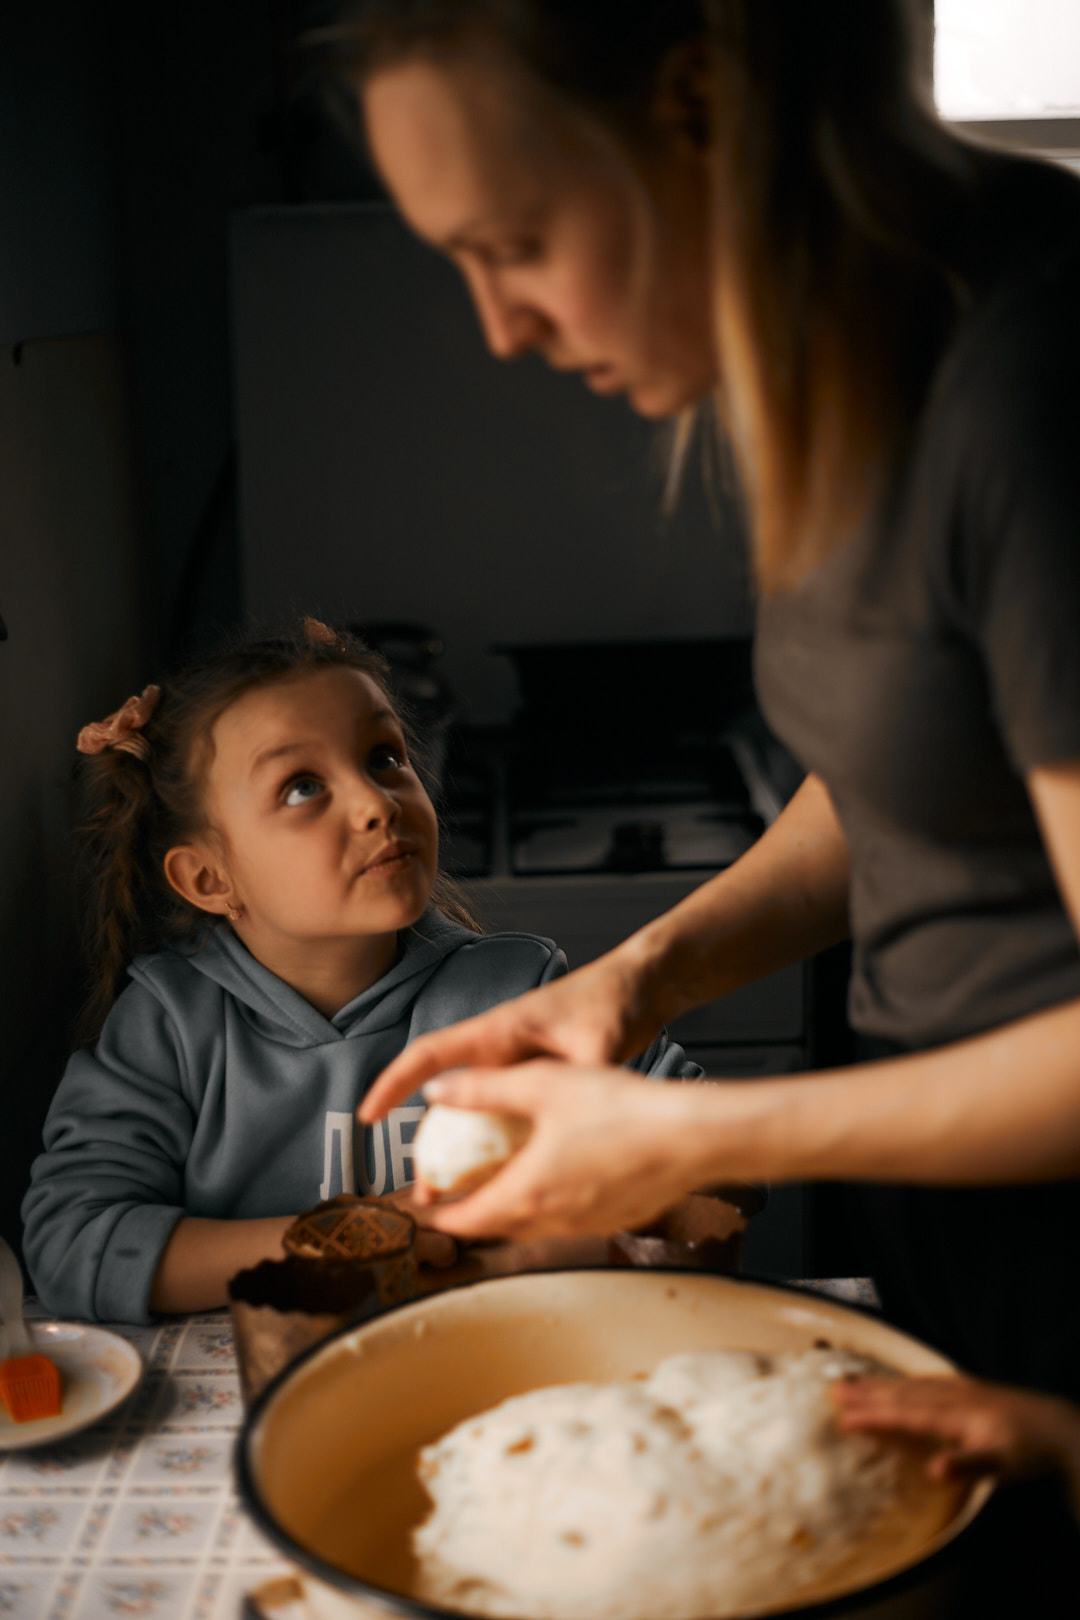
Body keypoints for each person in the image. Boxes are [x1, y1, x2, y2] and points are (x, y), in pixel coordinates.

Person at [335, 0, 1080, 1403]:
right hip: (946, 1204)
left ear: (699, 113)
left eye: (516, 246)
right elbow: (900, 783)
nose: (501, 329)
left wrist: (681, 1140)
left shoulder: (1030, 384)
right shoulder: (852, 369)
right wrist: (636, 981)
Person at [20, 620, 696, 1323]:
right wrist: (349, 1245)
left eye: (383, 758)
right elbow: (72, 1245)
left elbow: (714, 1167)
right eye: (301, 787)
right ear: (209, 878)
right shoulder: (169, 1027)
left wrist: (508, 1259)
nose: (377, 804)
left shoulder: (519, 990)